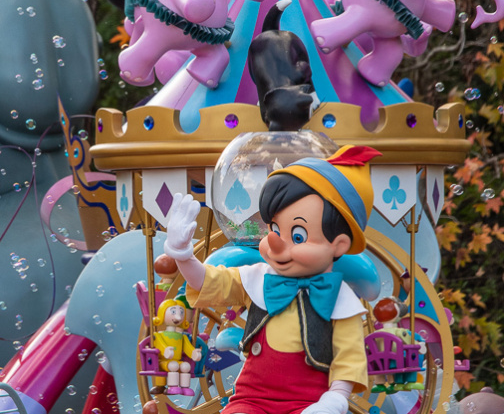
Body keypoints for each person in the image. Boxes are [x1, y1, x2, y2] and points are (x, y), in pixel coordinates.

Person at [165, 145, 381, 414]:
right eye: (275, 229)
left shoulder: (341, 301)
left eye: (298, 235)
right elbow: (207, 281)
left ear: (338, 245)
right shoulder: (258, 278)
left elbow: (349, 359)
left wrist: (334, 399)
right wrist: (184, 256)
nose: (276, 243)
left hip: (309, 404)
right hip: (251, 400)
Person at [152, 299, 202, 396]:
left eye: (181, 312)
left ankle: (185, 388)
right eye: (173, 312)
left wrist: (194, 353)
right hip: (163, 362)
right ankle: (173, 387)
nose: (178, 317)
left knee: (186, 366)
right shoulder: (158, 335)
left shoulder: (182, 336)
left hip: (176, 361)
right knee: (174, 365)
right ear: (163, 313)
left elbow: (187, 347)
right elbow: (160, 345)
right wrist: (166, 350)